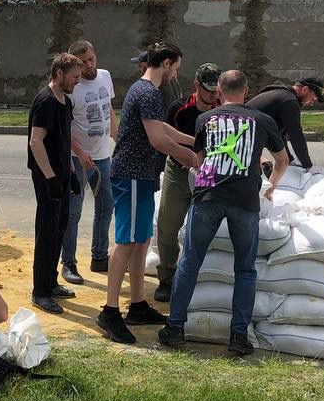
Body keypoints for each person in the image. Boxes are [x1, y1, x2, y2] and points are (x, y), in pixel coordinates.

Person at [161, 69, 290, 357]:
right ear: (247, 92)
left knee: (190, 262)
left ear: (219, 90)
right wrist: (271, 186)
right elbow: (282, 160)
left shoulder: (205, 119)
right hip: (245, 200)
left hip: (207, 197)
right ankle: (238, 336)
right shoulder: (263, 121)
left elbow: (200, 159)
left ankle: (174, 327)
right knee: (245, 269)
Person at [98, 43, 198, 343]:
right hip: (130, 174)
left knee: (141, 240)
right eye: (176, 67)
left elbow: (162, 128)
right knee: (127, 241)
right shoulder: (147, 91)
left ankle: (138, 304)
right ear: (166, 63)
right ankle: (110, 311)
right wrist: (188, 156)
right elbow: (158, 140)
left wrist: (195, 140)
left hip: (141, 175)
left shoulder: (148, 92)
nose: (176, 74)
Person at [153, 63, 222, 303]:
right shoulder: (179, 108)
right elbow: (162, 136)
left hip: (209, 171)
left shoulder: (222, 108)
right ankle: (167, 276)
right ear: (196, 85)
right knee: (168, 224)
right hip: (178, 169)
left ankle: (198, 275)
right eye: (209, 89)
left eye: (217, 90)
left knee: (203, 225)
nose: (213, 94)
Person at [26, 52, 84, 314]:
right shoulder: (45, 101)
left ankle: (51, 282)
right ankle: (40, 291)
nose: (77, 82)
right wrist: (49, 177)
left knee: (59, 228)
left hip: (61, 174)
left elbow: (64, 138)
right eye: (73, 77)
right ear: (59, 74)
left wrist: (71, 171)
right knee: (47, 232)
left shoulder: (65, 101)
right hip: (46, 176)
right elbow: (36, 141)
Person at [61, 39, 117, 285]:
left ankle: (99, 256)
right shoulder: (72, 88)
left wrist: (119, 139)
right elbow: (63, 128)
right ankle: (69, 263)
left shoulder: (105, 76)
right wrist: (80, 152)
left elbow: (110, 111)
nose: (89, 66)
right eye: (83, 63)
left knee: (106, 206)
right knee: (73, 211)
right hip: (78, 158)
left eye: (91, 59)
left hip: (103, 155)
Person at [246, 76, 324, 170]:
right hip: (241, 139)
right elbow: (295, 135)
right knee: (265, 171)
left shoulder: (282, 95)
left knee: (278, 165)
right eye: (312, 98)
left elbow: (279, 134)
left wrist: (290, 160)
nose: (311, 103)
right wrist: (308, 166)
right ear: (305, 89)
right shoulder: (289, 101)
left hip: (243, 136)